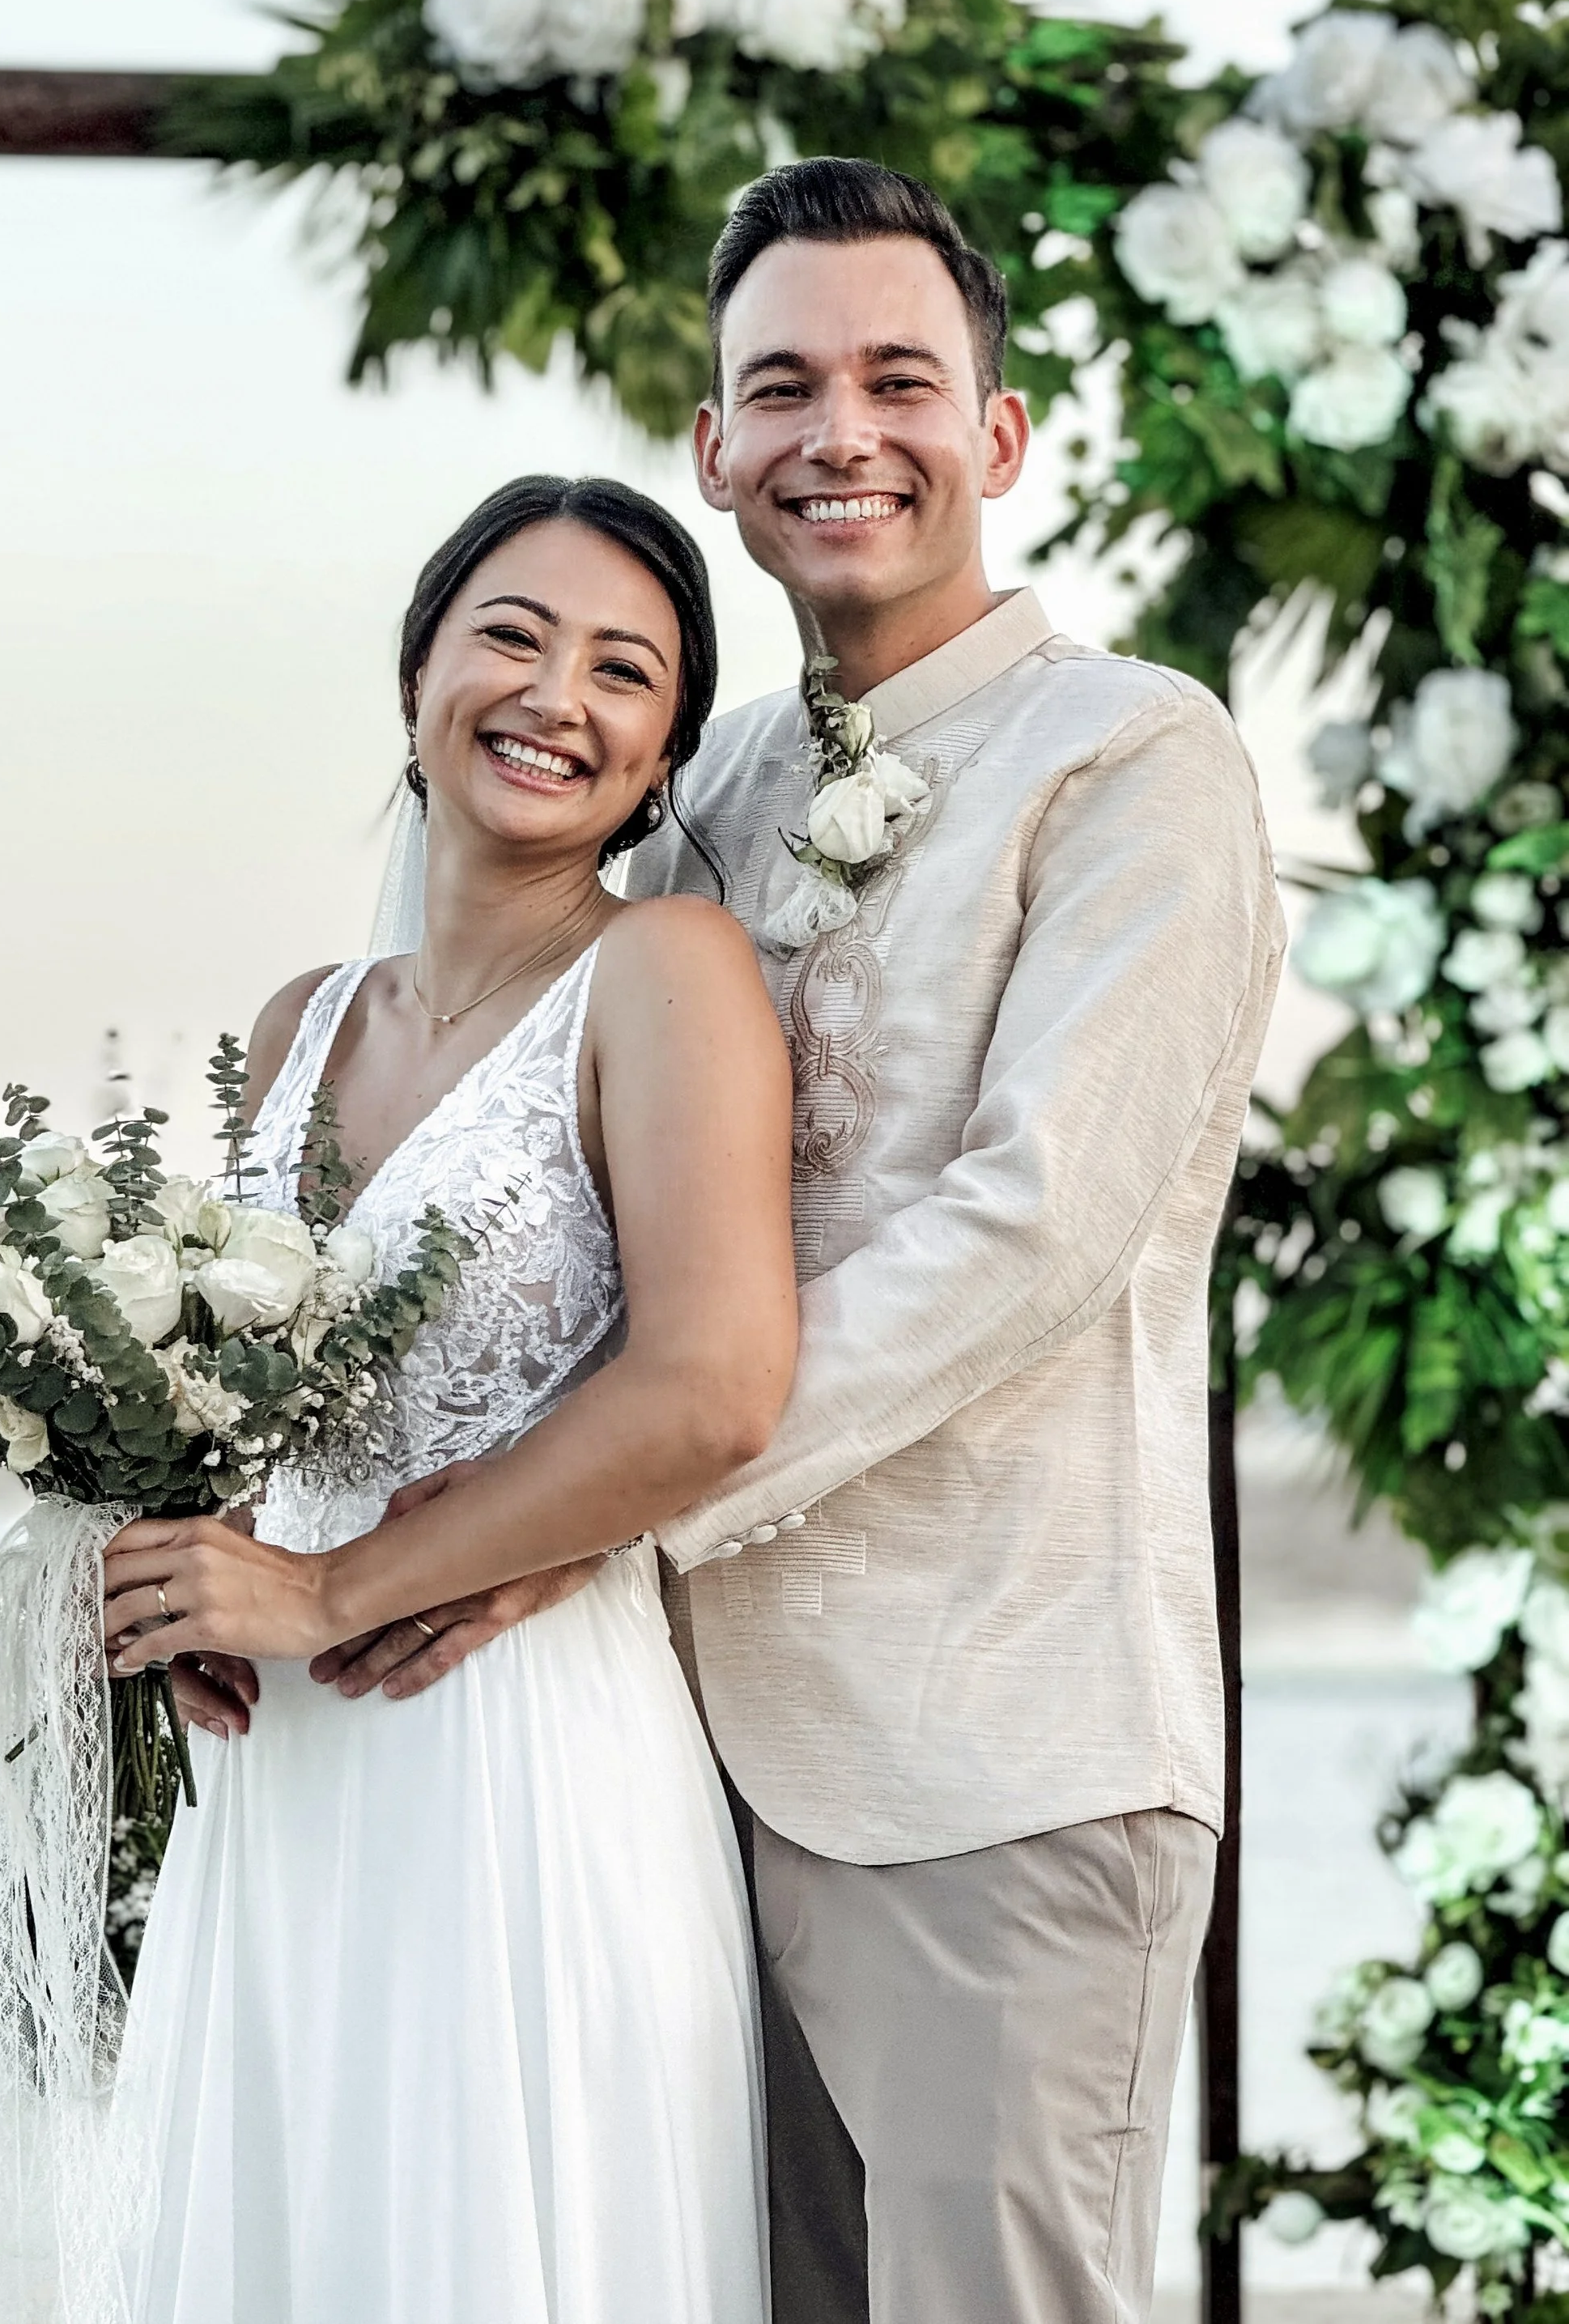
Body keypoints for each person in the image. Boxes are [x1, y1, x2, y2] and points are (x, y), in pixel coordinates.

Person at [271, 159, 1287, 2324]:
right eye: (783, 385)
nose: (846, 430)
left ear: (995, 439)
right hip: (652, 1769)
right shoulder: (692, 780)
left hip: (991, 1751)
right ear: (714, 450)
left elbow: (1029, 1228)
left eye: (900, 378)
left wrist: (584, 1513)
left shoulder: (1133, 763)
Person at [102, 475, 800, 2324]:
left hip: (515, 1752)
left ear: (661, 759)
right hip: (282, 1770)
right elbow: (241, 1406)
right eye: (509, 632)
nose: (553, 693)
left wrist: (335, 1592)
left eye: (622, 669)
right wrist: (201, 1566)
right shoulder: (296, 1022)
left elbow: (714, 1385)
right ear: (416, 670)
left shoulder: (662, 973)